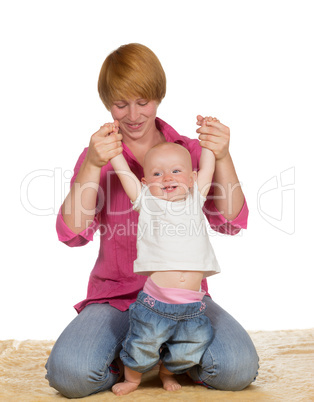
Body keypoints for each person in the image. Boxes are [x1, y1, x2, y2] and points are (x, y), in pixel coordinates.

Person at [45, 43, 259, 398]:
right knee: (71, 375)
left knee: (236, 368)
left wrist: (222, 155)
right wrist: (94, 165)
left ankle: (162, 352)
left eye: (142, 102)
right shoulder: (99, 155)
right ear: (107, 103)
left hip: (184, 299)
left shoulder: (188, 151)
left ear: (158, 97)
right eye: (120, 104)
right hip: (115, 297)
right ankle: (140, 353)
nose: (132, 115)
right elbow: (71, 233)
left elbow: (230, 222)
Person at [109, 136, 219, 395]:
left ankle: (167, 372)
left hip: (193, 305)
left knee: (191, 346)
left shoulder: (194, 199)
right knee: (142, 343)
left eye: (176, 171)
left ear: (192, 179)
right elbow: (124, 172)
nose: (167, 178)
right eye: (157, 174)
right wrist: (114, 151)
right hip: (156, 304)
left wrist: (210, 142)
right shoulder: (148, 203)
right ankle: (133, 379)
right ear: (146, 184)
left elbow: (208, 168)